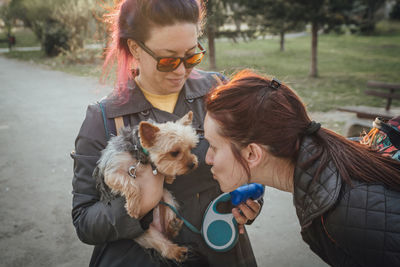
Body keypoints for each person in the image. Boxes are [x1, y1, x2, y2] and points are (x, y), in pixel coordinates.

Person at [71, 1, 261, 266]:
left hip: (222, 253)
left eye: (191, 56)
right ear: (135, 48)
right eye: (168, 59)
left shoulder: (217, 92)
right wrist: (140, 205)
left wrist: (250, 203)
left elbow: (252, 160)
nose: (181, 71)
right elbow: (85, 221)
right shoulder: (104, 117)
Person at [203, 69, 400, 267]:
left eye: (213, 146)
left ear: (252, 154)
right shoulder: (328, 172)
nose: (207, 159)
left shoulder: (345, 214)